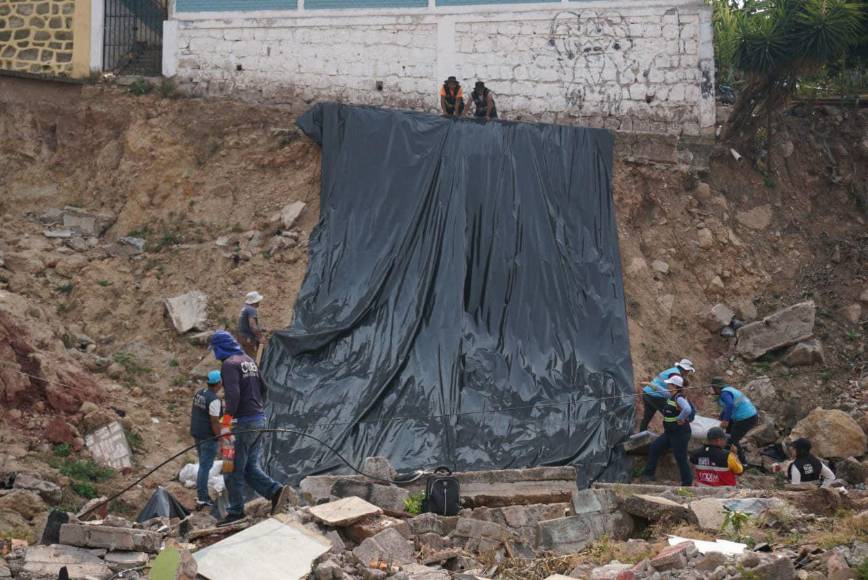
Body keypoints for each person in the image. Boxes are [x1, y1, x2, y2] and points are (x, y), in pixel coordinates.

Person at [211, 330, 291, 525]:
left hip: (241, 425)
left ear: (220, 347)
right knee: (249, 468)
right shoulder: (248, 360)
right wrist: (254, 407)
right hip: (258, 421)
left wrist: (227, 420)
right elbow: (264, 388)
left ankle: (236, 512)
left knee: (231, 469)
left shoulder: (229, 365)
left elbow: (234, 394)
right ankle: (277, 492)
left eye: (215, 349)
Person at [641, 374, 694, 486]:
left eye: (669, 383)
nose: (667, 385)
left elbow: (687, 409)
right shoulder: (670, 395)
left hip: (680, 433)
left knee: (680, 457)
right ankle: (648, 475)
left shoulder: (678, 397)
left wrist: (680, 418)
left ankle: (687, 482)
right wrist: (650, 384)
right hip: (670, 432)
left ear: (674, 386)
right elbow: (661, 391)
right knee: (655, 447)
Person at [190, 370, 224, 509]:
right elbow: (215, 422)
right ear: (219, 383)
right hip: (208, 437)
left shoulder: (199, 393)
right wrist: (220, 437)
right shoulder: (215, 400)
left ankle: (201, 493)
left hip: (197, 433)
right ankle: (203, 498)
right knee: (205, 467)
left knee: (203, 464)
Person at [639, 359, 695, 432]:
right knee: (671, 413)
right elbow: (671, 394)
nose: (688, 373)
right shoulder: (675, 375)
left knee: (647, 417)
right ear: (685, 369)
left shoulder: (673, 370)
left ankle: (641, 435)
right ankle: (674, 433)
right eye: (688, 371)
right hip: (655, 396)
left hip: (647, 393)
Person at [710, 377, 758, 463]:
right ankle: (727, 457)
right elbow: (726, 408)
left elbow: (729, 405)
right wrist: (721, 418)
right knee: (727, 435)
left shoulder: (724, 393)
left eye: (713, 388)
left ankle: (742, 463)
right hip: (748, 415)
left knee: (732, 440)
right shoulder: (729, 390)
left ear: (716, 388)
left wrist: (725, 420)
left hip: (746, 418)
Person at [238, 291, 265, 358]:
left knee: (244, 357)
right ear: (255, 301)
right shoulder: (251, 310)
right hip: (248, 339)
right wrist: (260, 337)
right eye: (258, 301)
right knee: (250, 358)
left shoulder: (245, 308)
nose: (259, 302)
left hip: (241, 337)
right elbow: (252, 325)